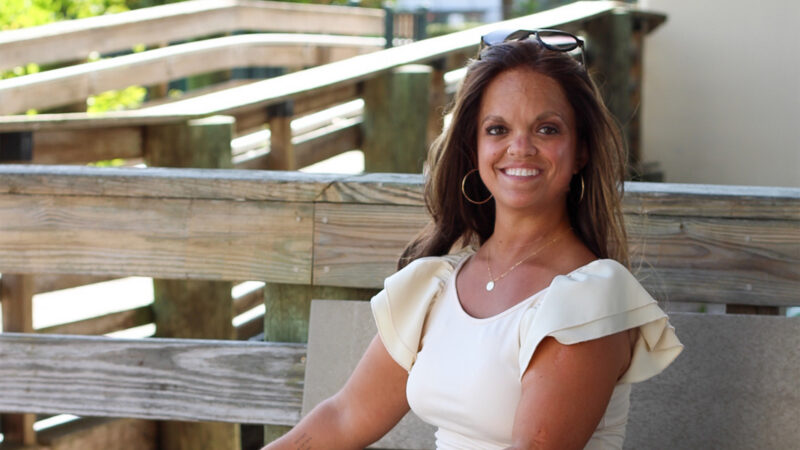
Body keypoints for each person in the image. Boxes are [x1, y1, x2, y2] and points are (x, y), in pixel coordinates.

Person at [265, 29, 683, 449]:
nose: (520, 147)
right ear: (474, 147)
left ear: (581, 152)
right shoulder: (438, 285)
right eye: (498, 129)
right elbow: (343, 418)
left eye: (548, 130)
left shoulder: (588, 297)